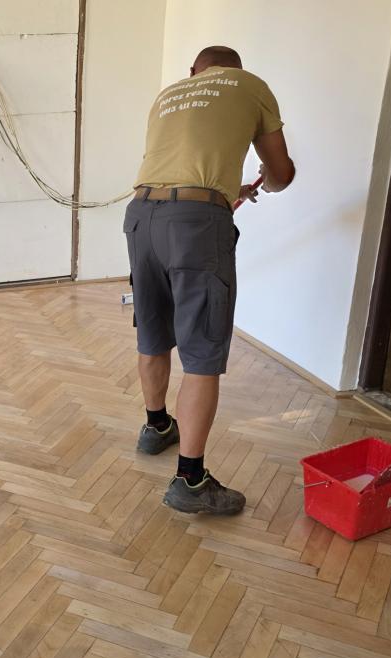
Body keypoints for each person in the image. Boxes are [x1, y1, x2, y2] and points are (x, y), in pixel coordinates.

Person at [124, 46, 295, 515]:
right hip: (197, 224)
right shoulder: (250, 85)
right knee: (202, 350)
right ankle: (191, 481)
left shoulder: (170, 94)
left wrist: (224, 189)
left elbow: (179, 168)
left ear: (194, 71)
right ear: (235, 70)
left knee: (153, 330)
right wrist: (265, 180)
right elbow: (282, 174)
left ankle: (156, 426)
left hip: (141, 215)